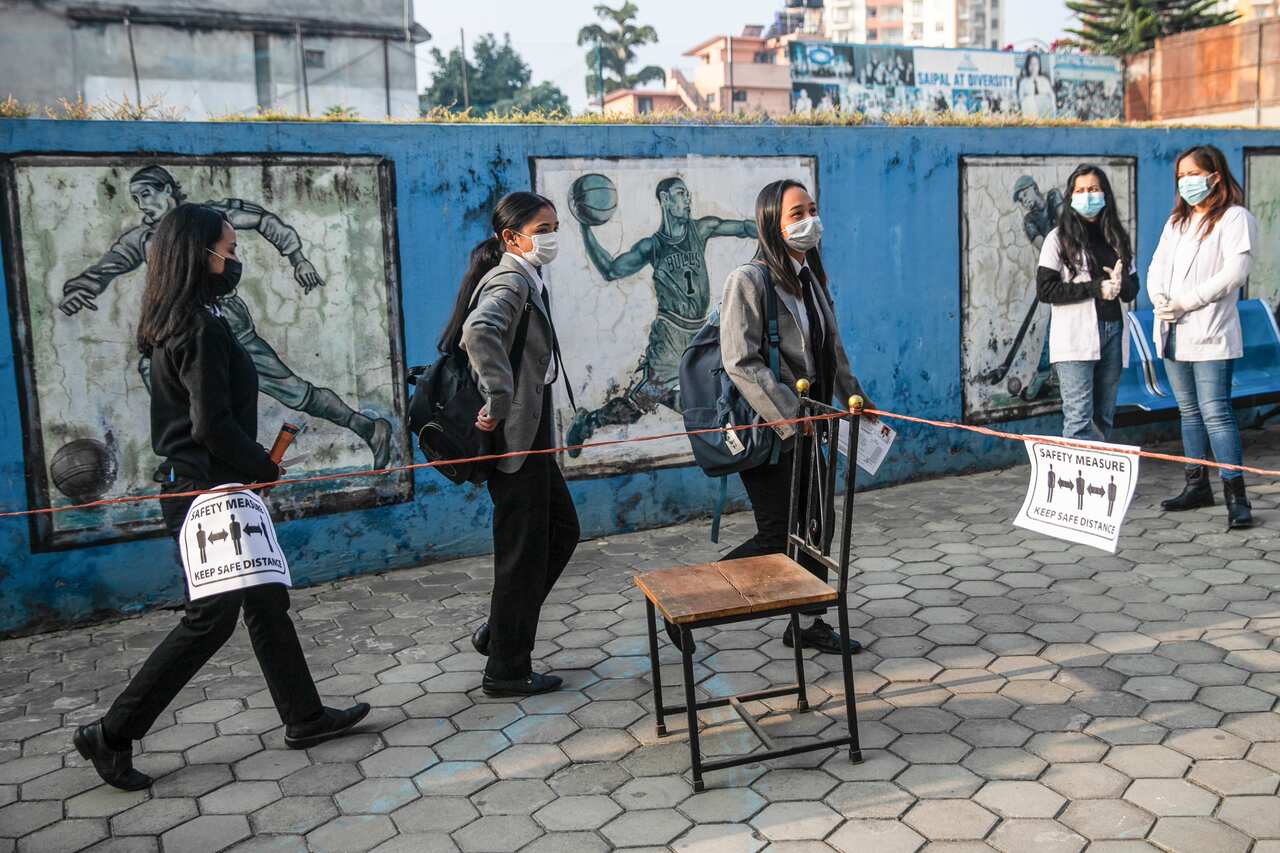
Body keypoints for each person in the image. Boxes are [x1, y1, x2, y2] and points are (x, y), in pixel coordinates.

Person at [74, 204, 368, 792]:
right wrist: (262, 466)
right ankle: (111, 733)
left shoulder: (182, 319)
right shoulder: (200, 327)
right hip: (207, 496)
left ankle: (304, 717)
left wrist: (250, 472)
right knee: (210, 620)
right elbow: (211, 426)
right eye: (228, 251)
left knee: (265, 602)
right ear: (198, 255)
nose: (235, 260)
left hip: (215, 489)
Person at [59, 165, 393, 469]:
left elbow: (262, 219)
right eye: (136, 198)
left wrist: (297, 257)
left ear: (167, 189)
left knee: (293, 390)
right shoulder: (146, 242)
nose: (142, 204)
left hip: (230, 321)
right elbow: (108, 266)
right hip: (200, 476)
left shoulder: (213, 220)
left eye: (146, 194)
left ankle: (366, 427)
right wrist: (81, 288)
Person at [714, 179, 870, 655]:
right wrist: (790, 417)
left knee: (817, 525)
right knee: (779, 531)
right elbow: (740, 360)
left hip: (814, 426)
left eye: (812, 210)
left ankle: (806, 622)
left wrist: (855, 397)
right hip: (769, 432)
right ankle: (695, 598)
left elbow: (831, 350)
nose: (809, 221)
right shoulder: (749, 279)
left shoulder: (809, 279)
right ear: (771, 224)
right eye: (795, 214)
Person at [445, 191, 580, 696]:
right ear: (511, 237)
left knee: (562, 530)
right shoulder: (509, 278)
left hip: (530, 432)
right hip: (514, 434)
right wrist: (498, 398)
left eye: (554, 227)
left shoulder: (525, 276)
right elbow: (478, 332)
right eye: (543, 228)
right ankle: (506, 668)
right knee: (521, 551)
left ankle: (501, 634)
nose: (552, 237)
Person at [566, 177, 757, 454]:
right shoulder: (652, 246)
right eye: (681, 194)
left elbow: (743, 228)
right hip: (669, 334)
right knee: (640, 406)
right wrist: (585, 228)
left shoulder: (701, 228)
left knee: (710, 398)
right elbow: (610, 270)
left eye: (688, 194)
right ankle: (589, 422)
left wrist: (773, 231)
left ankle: (726, 444)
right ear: (665, 199)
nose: (687, 199)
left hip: (700, 329)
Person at [1148, 145, 1258, 529]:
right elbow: (1156, 265)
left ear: (1214, 175)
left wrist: (1185, 302)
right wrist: (1159, 298)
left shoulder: (1234, 218)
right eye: (1181, 176)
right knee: (1189, 412)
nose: (1187, 182)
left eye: (1194, 174)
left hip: (1210, 330)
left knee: (1215, 412)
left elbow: (1234, 274)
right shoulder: (1176, 222)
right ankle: (1197, 485)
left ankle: (1236, 495)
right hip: (1172, 330)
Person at [1036, 164, 1140, 441]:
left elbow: (1132, 291)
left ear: (1104, 193)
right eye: (1080, 190)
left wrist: (1121, 285)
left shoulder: (1117, 238)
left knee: (1104, 416)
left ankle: (1100, 481)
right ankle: (1075, 483)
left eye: (1093, 189)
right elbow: (1046, 290)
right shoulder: (1057, 239)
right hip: (1076, 336)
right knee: (1079, 417)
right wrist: (1096, 288)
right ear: (1071, 197)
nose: (1088, 195)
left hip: (1112, 332)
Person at [1018, 52, 1055, 118]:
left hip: (1045, 116)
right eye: (1031, 64)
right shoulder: (1023, 82)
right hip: (1030, 117)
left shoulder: (1044, 80)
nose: (1033, 67)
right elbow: (1021, 100)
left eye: (1035, 64)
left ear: (1039, 65)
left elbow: (1052, 98)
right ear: (1027, 66)